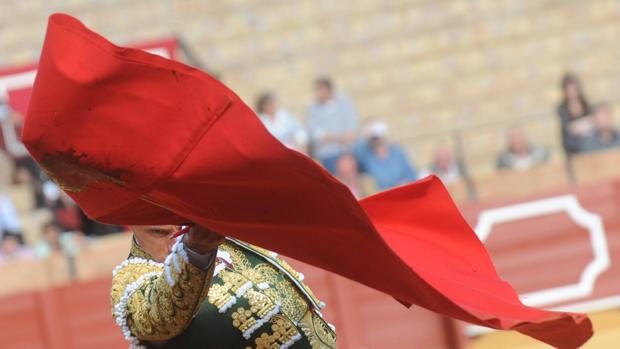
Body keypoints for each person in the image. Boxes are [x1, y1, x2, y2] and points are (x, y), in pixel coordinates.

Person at [111, 225, 337, 349]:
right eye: (159, 232)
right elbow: (162, 317)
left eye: (179, 226)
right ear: (131, 224)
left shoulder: (221, 236)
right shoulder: (130, 280)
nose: (176, 239)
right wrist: (193, 252)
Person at [306, 77, 358, 173]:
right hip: (328, 153)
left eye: (320, 89)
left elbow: (351, 128)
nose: (317, 93)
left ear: (328, 89)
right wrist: (340, 138)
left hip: (349, 149)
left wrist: (340, 138)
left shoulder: (344, 102)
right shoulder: (313, 109)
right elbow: (318, 135)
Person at [354, 120, 417, 190]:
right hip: (381, 195)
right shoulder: (366, 156)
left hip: (402, 192)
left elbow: (411, 175)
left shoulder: (398, 152)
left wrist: (404, 184)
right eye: (373, 138)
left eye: (377, 137)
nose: (376, 140)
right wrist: (363, 135)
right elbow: (354, 154)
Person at [557, 73, 593, 155]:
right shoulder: (562, 108)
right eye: (569, 89)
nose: (572, 92)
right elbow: (567, 128)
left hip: (590, 143)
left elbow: (593, 121)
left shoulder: (585, 103)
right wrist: (584, 124)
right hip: (573, 147)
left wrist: (576, 127)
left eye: (574, 89)